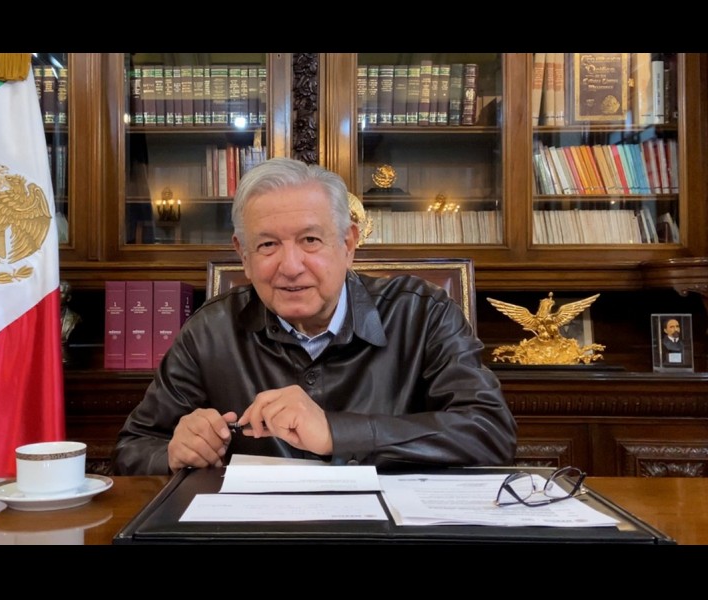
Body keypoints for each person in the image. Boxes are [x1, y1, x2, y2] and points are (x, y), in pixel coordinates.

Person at [111, 157, 517, 475]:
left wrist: (336, 432)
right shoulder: (210, 331)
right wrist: (174, 452)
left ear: (348, 244)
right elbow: (133, 447)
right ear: (243, 256)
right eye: (267, 245)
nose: (291, 267)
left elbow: (489, 432)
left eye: (310, 240)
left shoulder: (422, 314)